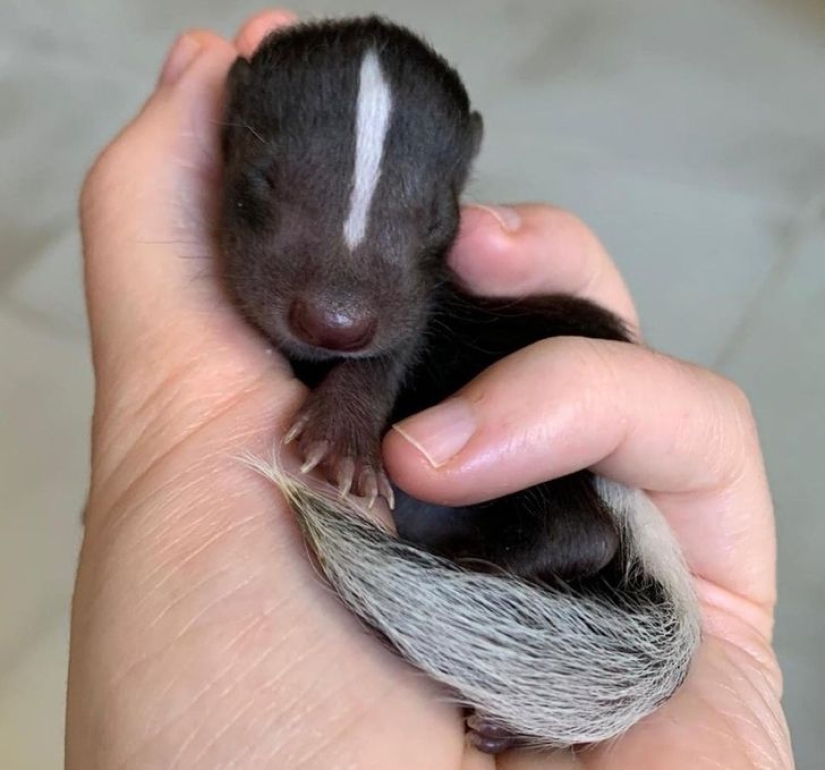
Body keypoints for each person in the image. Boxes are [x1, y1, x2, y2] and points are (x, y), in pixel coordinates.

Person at [66, 9, 794, 769]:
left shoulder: (415, 328)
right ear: (230, 120)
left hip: (538, 524)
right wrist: (149, 466)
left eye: (415, 229)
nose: (340, 307)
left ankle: (566, 547)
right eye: (272, 191)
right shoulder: (199, 370)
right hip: (490, 565)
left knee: (524, 350)